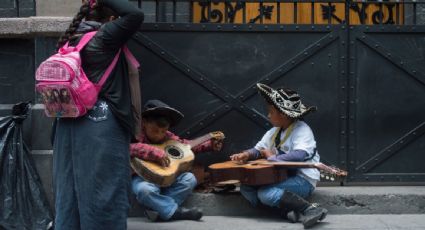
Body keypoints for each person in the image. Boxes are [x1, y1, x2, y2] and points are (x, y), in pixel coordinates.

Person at [52, 0, 144, 229]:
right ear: (112, 20)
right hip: (100, 124)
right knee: (104, 190)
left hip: (67, 124)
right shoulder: (104, 38)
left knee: (69, 191)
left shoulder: (70, 41)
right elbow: (135, 14)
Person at [230, 83, 328, 228]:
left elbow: (299, 155)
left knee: (265, 194)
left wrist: (271, 157)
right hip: (282, 176)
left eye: (271, 111)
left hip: (303, 180)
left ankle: (310, 209)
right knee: (246, 187)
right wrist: (245, 154)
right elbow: (258, 149)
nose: (268, 115)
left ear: (282, 114)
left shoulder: (302, 129)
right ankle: (286, 212)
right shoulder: (274, 131)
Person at [130, 99, 223, 222]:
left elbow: (184, 146)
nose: (159, 135)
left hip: (168, 178)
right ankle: (174, 212)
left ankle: (158, 210)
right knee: (144, 191)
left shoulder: (168, 136)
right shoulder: (135, 133)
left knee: (189, 179)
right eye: (155, 131)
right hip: (144, 178)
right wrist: (152, 152)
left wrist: (209, 145)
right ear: (144, 123)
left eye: (163, 131)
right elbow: (126, 147)